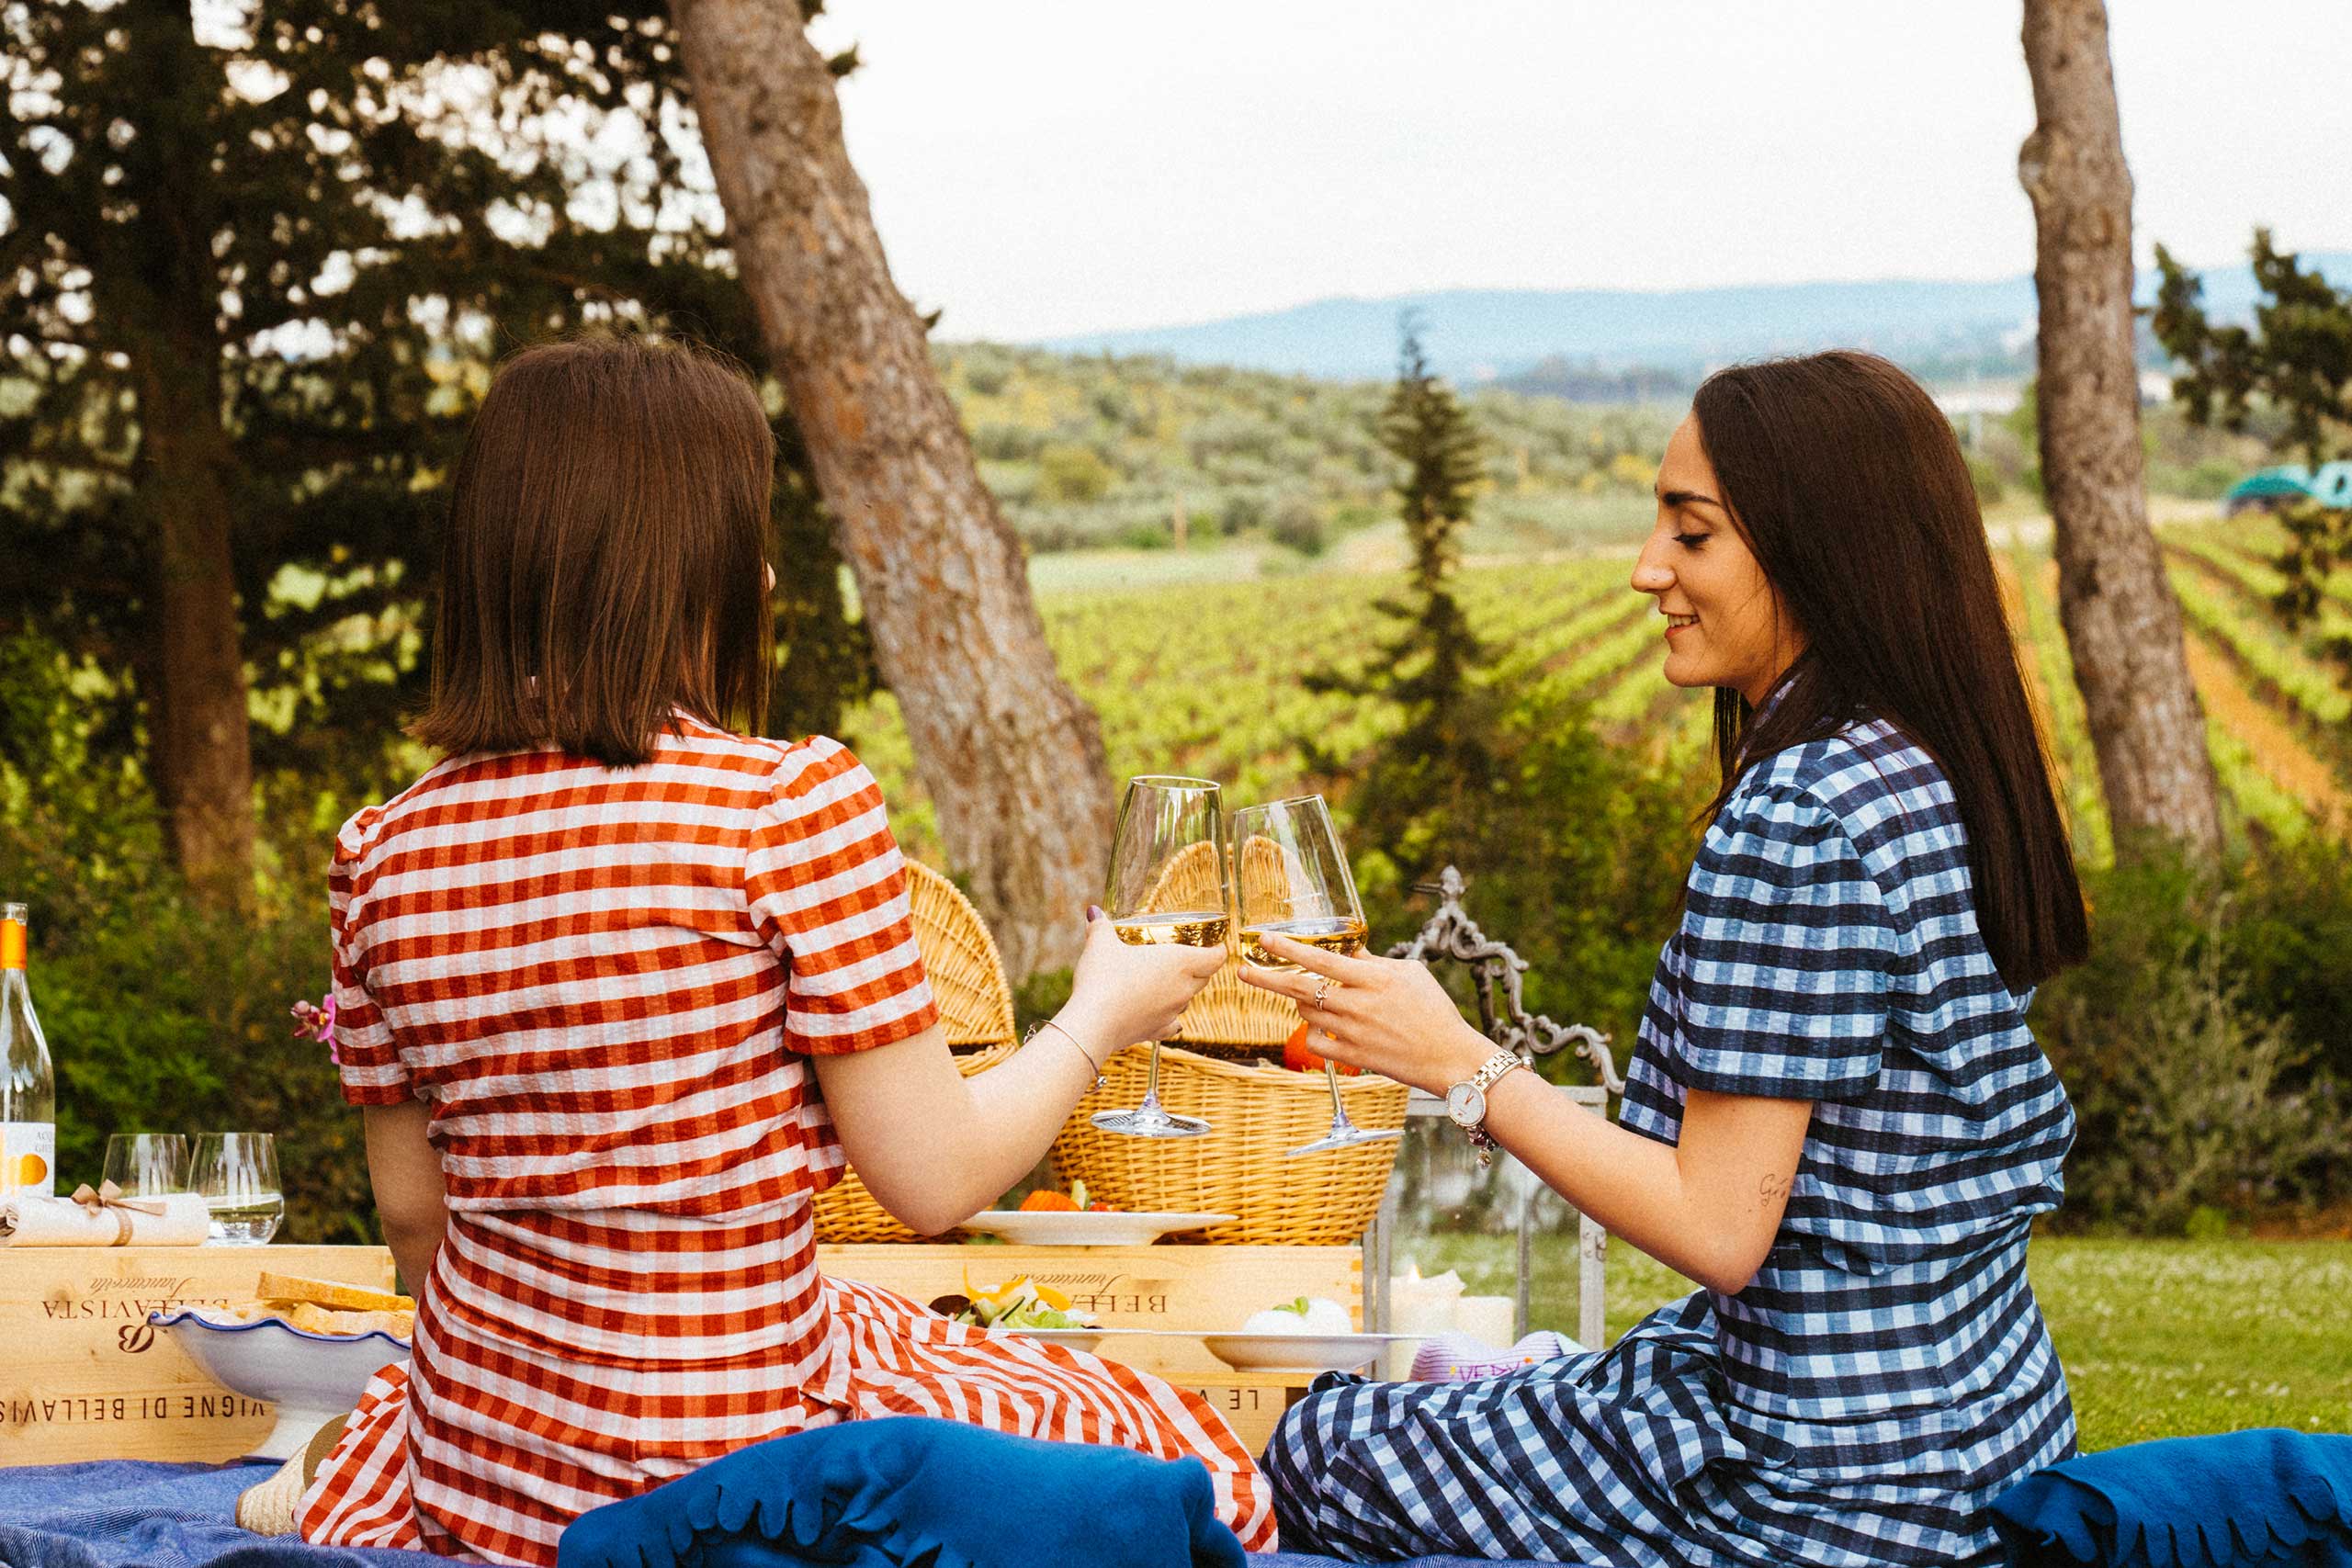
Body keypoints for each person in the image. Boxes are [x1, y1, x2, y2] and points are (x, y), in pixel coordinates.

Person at [295, 335, 1271, 1563]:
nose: (762, 572)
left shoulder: (382, 851)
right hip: (733, 1485)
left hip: (484, 1485)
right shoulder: (784, 806)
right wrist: (1099, 1014)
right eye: (743, 535)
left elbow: (414, 1223)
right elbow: (936, 1180)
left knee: (886, 1331)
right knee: (1173, 1446)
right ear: (690, 567)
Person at [1245, 350, 2087, 1566]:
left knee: (1320, 1455)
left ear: (1817, 548)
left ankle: (1490, 1397)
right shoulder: (1931, 758)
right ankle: (1506, 1389)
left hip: (1817, 1491)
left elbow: (1716, 1228)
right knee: (1476, 1409)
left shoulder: (1799, 812)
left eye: (1690, 535)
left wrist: (1462, 1067)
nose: (1648, 569)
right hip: (1992, 1430)